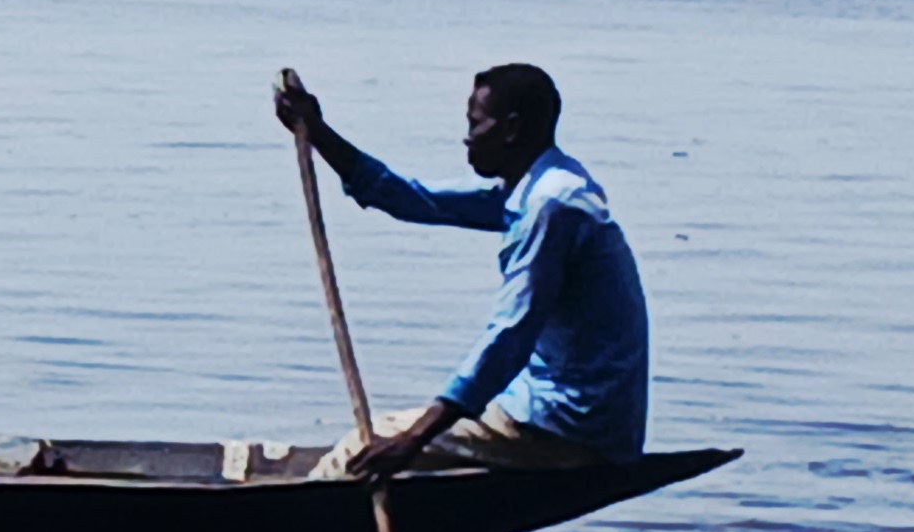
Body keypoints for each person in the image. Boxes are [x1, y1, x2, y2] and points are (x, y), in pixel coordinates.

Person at [273, 63, 648, 477]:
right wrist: (317, 132)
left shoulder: (551, 207)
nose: (466, 138)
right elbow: (411, 199)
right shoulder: (540, 185)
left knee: (360, 449)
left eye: (475, 124)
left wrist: (414, 439)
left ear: (510, 130)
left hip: (568, 424)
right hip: (565, 411)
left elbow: (510, 335)